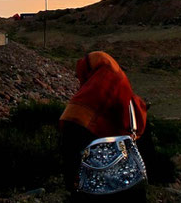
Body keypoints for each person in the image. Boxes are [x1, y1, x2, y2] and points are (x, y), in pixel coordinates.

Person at [59, 51, 150, 202]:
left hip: (92, 191)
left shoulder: (80, 109)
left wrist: (71, 184)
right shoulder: (132, 105)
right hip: (131, 189)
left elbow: (69, 149)